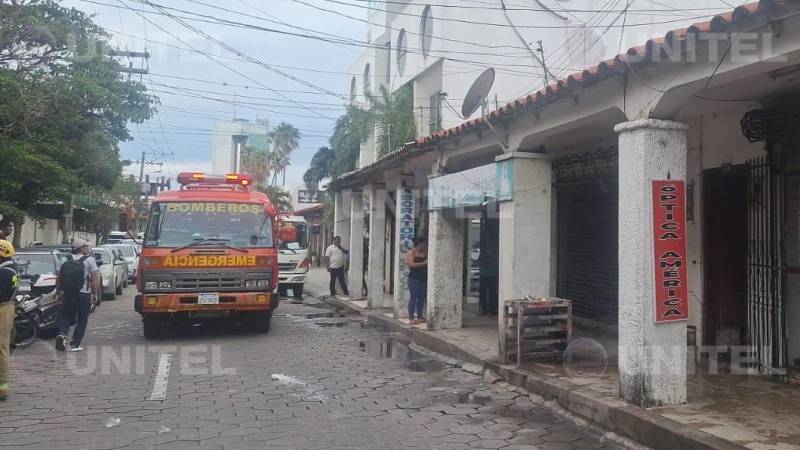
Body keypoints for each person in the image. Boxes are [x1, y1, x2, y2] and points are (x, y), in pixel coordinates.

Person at [55, 239, 100, 352]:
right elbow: (94, 279)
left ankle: (62, 334)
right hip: (83, 294)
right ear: (82, 248)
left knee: (66, 316)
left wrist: (58, 291)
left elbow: (59, 278)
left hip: (68, 293)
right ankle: (75, 343)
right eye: (86, 246)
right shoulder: (89, 260)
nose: (87, 249)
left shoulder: (65, 259)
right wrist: (95, 294)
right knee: (82, 319)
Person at [0, 240, 19, 401]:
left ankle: (2, 388)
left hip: (2, 309)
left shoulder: (4, 273)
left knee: (1, 349)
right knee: (3, 347)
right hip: (8, 308)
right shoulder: (12, 270)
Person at [405, 237, 428, 325]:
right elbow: (411, 265)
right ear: (419, 244)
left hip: (424, 278)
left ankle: (420, 316)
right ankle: (411, 317)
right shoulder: (411, 253)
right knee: (414, 297)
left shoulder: (425, 252)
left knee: (421, 298)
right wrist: (423, 263)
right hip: (414, 279)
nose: (424, 246)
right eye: (422, 244)